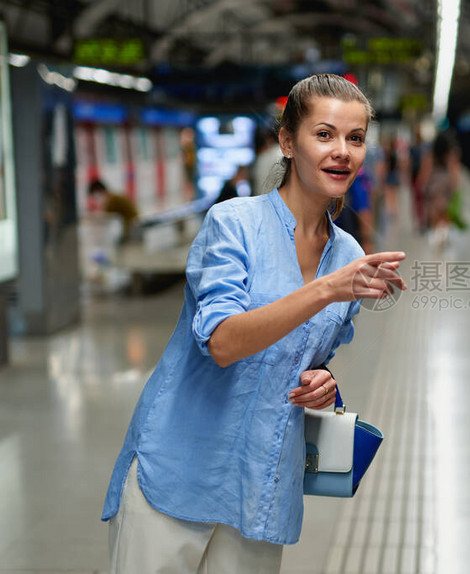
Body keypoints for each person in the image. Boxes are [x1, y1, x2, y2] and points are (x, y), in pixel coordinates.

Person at [101, 74, 407, 574]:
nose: (342, 152)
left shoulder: (348, 253)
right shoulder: (233, 224)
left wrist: (323, 383)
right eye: (324, 134)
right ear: (287, 141)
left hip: (261, 483)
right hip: (180, 469)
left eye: (355, 138)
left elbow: (313, 354)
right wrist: (326, 288)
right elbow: (222, 342)